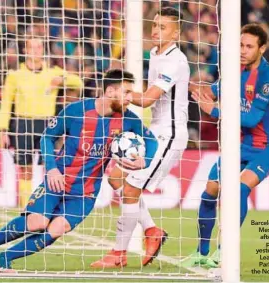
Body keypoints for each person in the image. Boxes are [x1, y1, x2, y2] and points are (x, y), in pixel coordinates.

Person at [0, 69, 158, 272]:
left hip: (85, 192)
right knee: (37, 222)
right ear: (111, 91)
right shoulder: (76, 111)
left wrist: (143, 161)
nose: (132, 98)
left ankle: (4, 259)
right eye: (127, 92)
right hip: (57, 181)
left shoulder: (128, 119)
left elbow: (151, 140)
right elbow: (47, 137)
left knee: (57, 229)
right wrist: (51, 170)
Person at [91, 7, 190, 268]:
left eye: (163, 27)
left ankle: (118, 253)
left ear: (176, 32)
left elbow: (146, 100)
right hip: (155, 130)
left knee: (132, 188)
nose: (156, 30)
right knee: (115, 179)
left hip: (169, 134)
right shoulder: (156, 54)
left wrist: (121, 94)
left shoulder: (174, 60)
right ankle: (151, 230)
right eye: (155, 25)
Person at [181, 23, 269, 268]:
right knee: (209, 192)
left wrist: (213, 109)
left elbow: (250, 119)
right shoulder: (234, 70)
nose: (242, 50)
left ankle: (224, 251)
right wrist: (190, 86)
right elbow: (213, 91)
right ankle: (202, 252)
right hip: (237, 145)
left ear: (262, 49)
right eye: (240, 44)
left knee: (237, 190)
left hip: (266, 147)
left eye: (249, 46)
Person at [0, 37, 83, 207]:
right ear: (25, 50)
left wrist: (62, 80)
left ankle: (48, 203)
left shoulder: (52, 72)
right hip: (23, 123)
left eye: (39, 47)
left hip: (47, 124)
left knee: (50, 166)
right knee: (26, 168)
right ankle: (26, 207)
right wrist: (3, 129)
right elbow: (6, 102)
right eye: (32, 47)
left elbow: (79, 82)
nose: (36, 50)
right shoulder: (15, 76)